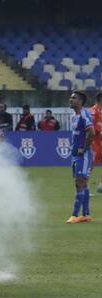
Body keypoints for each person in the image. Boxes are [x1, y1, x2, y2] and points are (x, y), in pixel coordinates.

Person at [66, 91, 93, 223]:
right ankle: (86, 214)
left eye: (74, 98)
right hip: (76, 154)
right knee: (83, 183)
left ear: (80, 101)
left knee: (79, 183)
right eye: (71, 98)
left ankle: (75, 215)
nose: (70, 100)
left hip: (83, 155)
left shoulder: (84, 114)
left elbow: (91, 132)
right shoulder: (74, 116)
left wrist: (84, 148)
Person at [90, 93, 102, 193]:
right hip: (94, 142)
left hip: (100, 142)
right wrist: (99, 131)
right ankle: (84, 186)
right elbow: (91, 126)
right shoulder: (93, 110)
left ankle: (101, 185)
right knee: (91, 165)